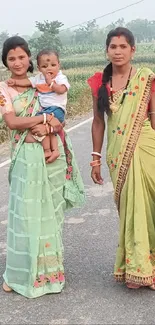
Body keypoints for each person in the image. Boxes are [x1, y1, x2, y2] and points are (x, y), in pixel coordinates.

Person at [0, 36, 85, 298]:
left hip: (51, 155)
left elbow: (61, 113)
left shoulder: (40, 83)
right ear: (5, 62)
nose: (17, 62)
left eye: (22, 57)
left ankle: (49, 272)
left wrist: (50, 126)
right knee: (26, 215)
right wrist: (45, 118)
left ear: (29, 58)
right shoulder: (4, 89)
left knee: (49, 213)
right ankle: (19, 275)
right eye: (11, 58)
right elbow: (13, 122)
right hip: (25, 156)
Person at [88, 27, 155, 290]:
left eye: (123, 46)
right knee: (131, 209)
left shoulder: (146, 78)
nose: (117, 51)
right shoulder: (98, 83)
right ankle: (136, 267)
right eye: (113, 47)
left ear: (133, 50)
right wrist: (95, 158)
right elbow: (97, 122)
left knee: (149, 205)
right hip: (118, 153)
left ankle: (149, 266)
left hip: (148, 148)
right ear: (107, 50)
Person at [7, 49, 70, 163]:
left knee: (43, 126)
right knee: (43, 128)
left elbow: (61, 90)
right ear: (39, 67)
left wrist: (51, 83)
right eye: (45, 66)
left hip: (57, 109)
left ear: (59, 65)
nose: (49, 68)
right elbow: (28, 82)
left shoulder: (60, 78)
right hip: (45, 110)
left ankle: (53, 150)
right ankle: (49, 150)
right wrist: (15, 83)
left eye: (53, 65)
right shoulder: (38, 79)